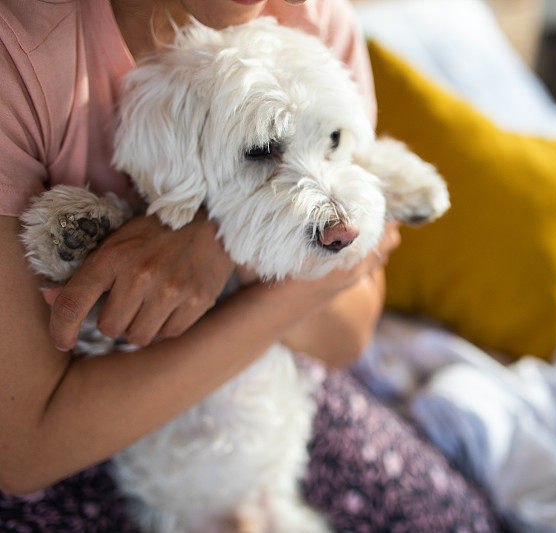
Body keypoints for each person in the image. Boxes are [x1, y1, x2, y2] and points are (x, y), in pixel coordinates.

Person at [0, 1, 501, 530]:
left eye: (332, 142)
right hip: (84, 435)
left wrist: (221, 251)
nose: (340, 223)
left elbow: (348, 334)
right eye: (264, 149)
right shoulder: (25, 55)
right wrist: (278, 263)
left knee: (458, 521)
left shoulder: (320, 20)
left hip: (273, 403)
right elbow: (24, 455)